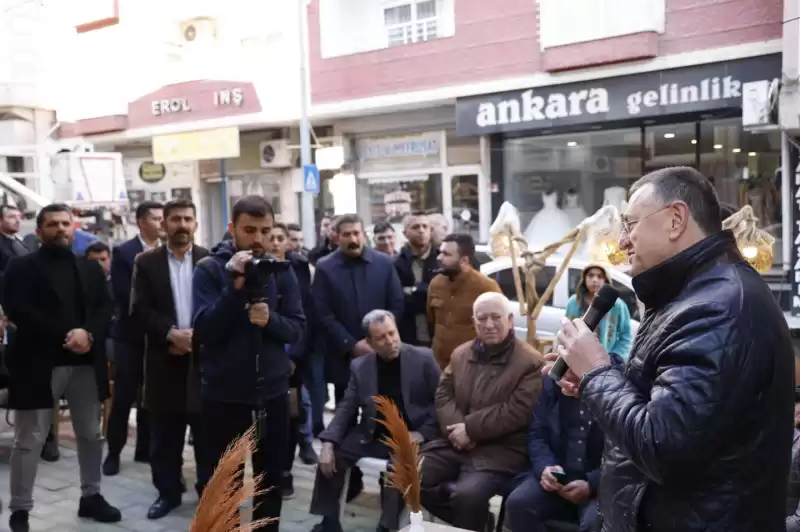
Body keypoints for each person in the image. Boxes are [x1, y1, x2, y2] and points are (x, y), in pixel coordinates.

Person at [550, 167, 794, 532]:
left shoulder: (720, 307)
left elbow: (662, 445)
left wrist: (597, 373)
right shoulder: (690, 294)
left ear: (676, 219)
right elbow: (663, 399)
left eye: (630, 225)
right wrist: (599, 377)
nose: (621, 242)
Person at [4, 203, 120, 531]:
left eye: (65, 223)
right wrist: (67, 335)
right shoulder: (20, 267)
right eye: (52, 224)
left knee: (90, 434)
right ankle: (21, 509)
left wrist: (89, 334)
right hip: (38, 364)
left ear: (74, 227)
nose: (60, 229)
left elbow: (103, 308)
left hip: (84, 362)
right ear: (39, 231)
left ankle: (91, 496)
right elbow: (19, 311)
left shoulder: (89, 268)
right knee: (30, 439)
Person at [193, 195, 305, 531]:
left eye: (265, 230)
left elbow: (298, 328)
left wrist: (269, 320)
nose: (258, 238)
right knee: (224, 487)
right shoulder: (211, 269)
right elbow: (204, 332)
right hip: (223, 397)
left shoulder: (281, 271)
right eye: (249, 230)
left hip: (271, 395)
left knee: (269, 487)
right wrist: (236, 289)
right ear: (232, 229)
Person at [420, 292, 543, 531]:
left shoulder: (530, 362)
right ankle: (479, 524)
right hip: (453, 444)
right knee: (405, 474)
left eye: (495, 317)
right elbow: (443, 394)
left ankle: (470, 523)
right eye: (482, 318)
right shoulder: (461, 354)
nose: (488, 324)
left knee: (467, 497)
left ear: (509, 319)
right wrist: (458, 431)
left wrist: (471, 430)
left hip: (500, 451)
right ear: (474, 322)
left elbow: (517, 411)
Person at [310, 310, 441, 532]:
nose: (390, 341)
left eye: (392, 333)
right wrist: (328, 442)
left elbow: (442, 404)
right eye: (381, 338)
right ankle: (329, 521)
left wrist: (422, 434)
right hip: (374, 434)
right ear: (369, 342)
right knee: (333, 455)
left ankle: (386, 526)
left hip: (413, 435)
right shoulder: (361, 367)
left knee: (398, 465)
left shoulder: (424, 359)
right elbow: (346, 408)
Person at [130, 199, 211, 519]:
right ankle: (167, 492)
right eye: (175, 219)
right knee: (165, 433)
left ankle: (209, 491)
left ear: (196, 224)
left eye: (187, 219)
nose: (182, 224)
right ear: (163, 224)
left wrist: (195, 338)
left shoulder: (210, 261)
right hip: (164, 359)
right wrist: (170, 334)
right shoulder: (145, 263)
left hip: (204, 362)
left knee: (207, 434)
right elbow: (139, 309)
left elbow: (220, 308)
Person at [505, 353, 622, 532]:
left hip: (601, 482)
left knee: (595, 523)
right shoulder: (555, 379)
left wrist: (592, 483)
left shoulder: (619, 384)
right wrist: (546, 467)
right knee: (518, 504)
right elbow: (537, 433)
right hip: (559, 476)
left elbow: (625, 453)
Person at [313, 213, 405, 404]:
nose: (353, 239)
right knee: (345, 413)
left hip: (382, 352)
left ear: (364, 234)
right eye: (347, 234)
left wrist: (379, 340)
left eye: (356, 233)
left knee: (385, 411)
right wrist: (351, 345)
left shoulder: (385, 263)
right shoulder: (325, 267)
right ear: (337, 237)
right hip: (344, 355)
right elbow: (322, 313)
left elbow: (396, 304)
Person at [104, 200, 164, 476]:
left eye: (164, 218)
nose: (161, 223)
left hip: (160, 336)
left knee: (152, 395)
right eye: (155, 218)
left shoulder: (168, 252)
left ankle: (146, 448)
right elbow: (122, 294)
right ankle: (113, 452)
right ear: (141, 221)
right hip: (130, 335)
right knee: (125, 394)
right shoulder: (125, 252)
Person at [266, 222, 318, 500]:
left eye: (280, 238)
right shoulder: (255, 268)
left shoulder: (299, 268)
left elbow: (305, 314)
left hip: (294, 358)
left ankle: (285, 472)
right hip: (265, 359)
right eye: (270, 237)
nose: (274, 243)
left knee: (292, 415)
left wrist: (295, 355)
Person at [427, 233, 500, 369]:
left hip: (472, 366)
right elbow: (431, 320)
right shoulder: (436, 284)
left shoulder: (486, 287)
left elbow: (500, 329)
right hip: (439, 366)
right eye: (440, 253)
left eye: (446, 254)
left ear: (464, 260)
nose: (439, 258)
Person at [564, 264, 633, 360]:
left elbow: (626, 336)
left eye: (600, 276)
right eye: (591, 275)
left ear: (605, 280)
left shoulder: (618, 305)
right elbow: (566, 330)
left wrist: (616, 357)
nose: (595, 280)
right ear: (584, 278)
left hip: (605, 360)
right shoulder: (573, 302)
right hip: (577, 358)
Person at [394, 212, 438, 347]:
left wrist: (413, 290)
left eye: (425, 226)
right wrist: (425, 291)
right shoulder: (395, 263)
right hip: (408, 334)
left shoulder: (442, 259)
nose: (421, 231)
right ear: (405, 233)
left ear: (431, 231)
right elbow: (396, 297)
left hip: (438, 333)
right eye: (416, 227)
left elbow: (442, 294)